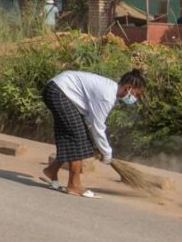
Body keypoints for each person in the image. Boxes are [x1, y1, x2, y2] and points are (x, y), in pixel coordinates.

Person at [40, 69, 145, 198]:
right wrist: (107, 152)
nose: (135, 98)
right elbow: (98, 127)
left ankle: (51, 170)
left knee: (78, 136)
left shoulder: (110, 90)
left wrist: (97, 144)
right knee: (77, 138)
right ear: (128, 88)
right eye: (136, 94)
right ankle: (74, 184)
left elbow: (90, 120)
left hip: (60, 91)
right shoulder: (107, 96)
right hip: (58, 91)